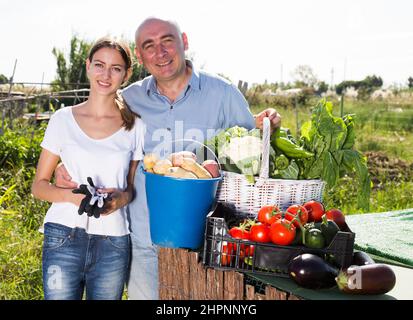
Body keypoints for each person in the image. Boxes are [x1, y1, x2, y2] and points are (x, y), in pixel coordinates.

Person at [55, 17, 282, 300]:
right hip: (144, 240)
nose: (160, 52)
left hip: (207, 243)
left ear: (184, 42)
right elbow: (95, 140)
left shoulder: (223, 94)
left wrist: (270, 124)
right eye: (149, 46)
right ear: (139, 56)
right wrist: (68, 165)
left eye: (167, 41)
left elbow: (250, 151)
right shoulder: (128, 100)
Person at [31, 36, 146, 300]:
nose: (106, 75)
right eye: (99, 65)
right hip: (62, 236)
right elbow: (38, 185)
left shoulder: (135, 126)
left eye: (115, 68)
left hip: (113, 241)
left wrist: (119, 200)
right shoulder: (62, 119)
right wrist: (68, 197)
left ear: (126, 74)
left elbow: (130, 190)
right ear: (87, 66)